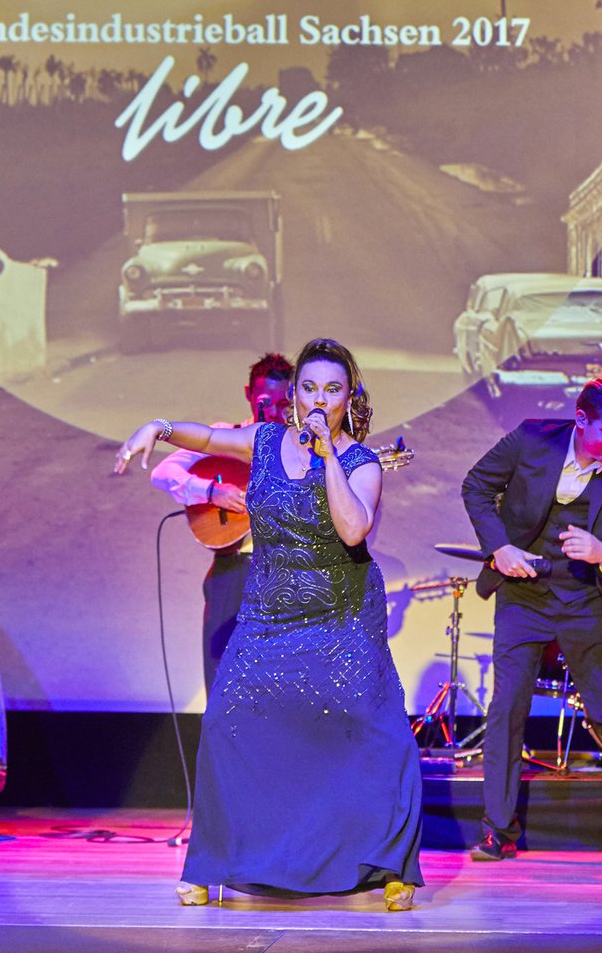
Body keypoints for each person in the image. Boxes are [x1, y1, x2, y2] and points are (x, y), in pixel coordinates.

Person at [114, 338, 423, 910]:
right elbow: (207, 440)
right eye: (309, 388)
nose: (318, 399)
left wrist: (329, 455)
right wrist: (158, 427)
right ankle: (213, 861)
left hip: (341, 611)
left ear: (349, 397)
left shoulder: (361, 462)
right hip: (270, 610)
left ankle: (388, 865)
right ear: (294, 394)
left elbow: (353, 529)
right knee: (226, 721)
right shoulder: (263, 441)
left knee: (372, 730)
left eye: (332, 389)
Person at [461, 377, 602, 864]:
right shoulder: (532, 438)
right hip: (524, 594)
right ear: (581, 420)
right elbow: (476, 486)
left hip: (586, 598)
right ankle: (497, 830)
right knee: (507, 709)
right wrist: (500, 548)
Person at [150, 352, 293, 693]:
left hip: (284, 570)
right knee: (222, 678)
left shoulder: (300, 448)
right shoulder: (226, 436)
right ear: (248, 394)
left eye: (283, 404)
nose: (274, 411)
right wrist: (212, 491)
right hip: (234, 568)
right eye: (265, 402)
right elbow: (163, 472)